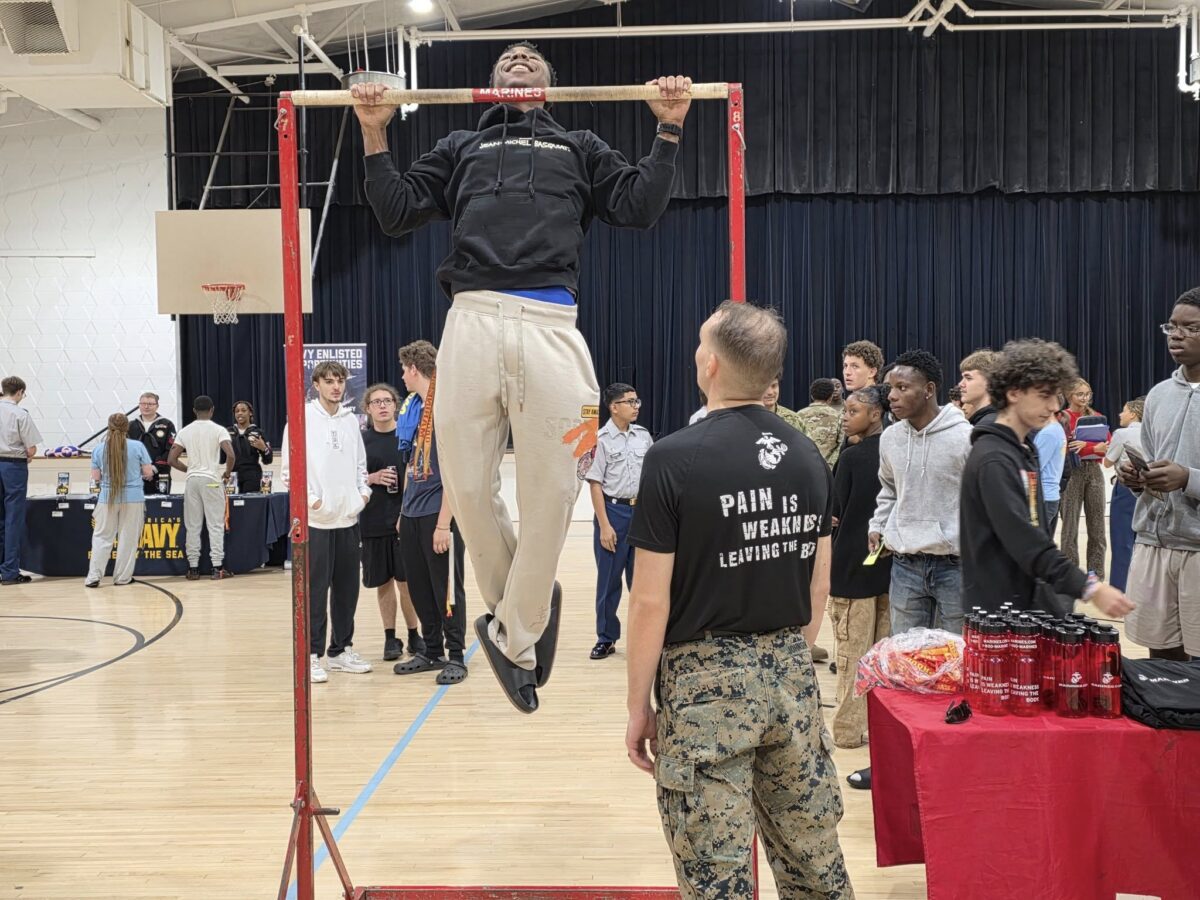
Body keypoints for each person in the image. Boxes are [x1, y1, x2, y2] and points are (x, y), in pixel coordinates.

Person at [352, 44, 693, 713]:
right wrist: (373, 131)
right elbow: (394, 209)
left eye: (530, 57)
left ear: (548, 85)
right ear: (491, 83)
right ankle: (523, 624)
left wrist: (669, 126)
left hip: (552, 326)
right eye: (507, 56)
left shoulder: (579, 145)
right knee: (466, 487)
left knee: (557, 488)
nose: (517, 57)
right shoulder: (460, 146)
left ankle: (514, 632)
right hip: (471, 320)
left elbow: (638, 206)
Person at [624, 301, 853, 897]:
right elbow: (819, 582)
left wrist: (638, 706)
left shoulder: (673, 457)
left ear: (711, 364)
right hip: (791, 674)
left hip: (704, 685)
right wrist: (784, 654)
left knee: (715, 873)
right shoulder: (807, 455)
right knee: (813, 860)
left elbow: (649, 601)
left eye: (703, 343)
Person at [960, 340, 1133, 619]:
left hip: (1023, 605)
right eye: (1044, 395)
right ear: (1014, 393)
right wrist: (1089, 587)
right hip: (999, 614)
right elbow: (1023, 539)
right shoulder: (994, 458)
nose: (1054, 406)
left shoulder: (1022, 450)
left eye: (1056, 396)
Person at [1119, 290, 1200, 661]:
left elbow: (1182, 476)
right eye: (1172, 326)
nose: (1176, 335)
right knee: (1162, 662)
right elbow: (1153, 461)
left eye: (1191, 328)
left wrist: (1188, 478)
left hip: (1196, 549)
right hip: (1154, 543)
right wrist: (1140, 481)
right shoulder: (1158, 395)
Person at [869, 350, 971, 636]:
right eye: (890, 388)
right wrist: (878, 525)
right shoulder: (890, 438)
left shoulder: (965, 438)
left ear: (928, 390)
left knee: (955, 652)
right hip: (905, 565)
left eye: (902, 388)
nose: (892, 396)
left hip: (956, 565)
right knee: (906, 653)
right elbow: (889, 489)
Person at [282, 362, 372, 682]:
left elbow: (360, 465)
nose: (336, 387)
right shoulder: (301, 418)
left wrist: (362, 496)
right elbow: (289, 471)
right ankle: (311, 655)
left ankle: (340, 651)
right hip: (317, 522)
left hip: (348, 519)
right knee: (315, 591)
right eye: (329, 381)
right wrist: (314, 503)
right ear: (316, 384)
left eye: (340, 381)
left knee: (347, 590)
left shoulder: (350, 420)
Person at [391, 342, 468, 686]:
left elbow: (456, 472)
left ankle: (456, 655)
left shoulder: (446, 409)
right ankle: (432, 650)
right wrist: (403, 511)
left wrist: (443, 524)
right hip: (412, 513)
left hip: (439, 514)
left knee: (445, 588)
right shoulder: (415, 409)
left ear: (414, 368)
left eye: (403, 370)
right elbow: (411, 464)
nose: (402, 377)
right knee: (419, 586)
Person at [829, 384, 892, 751]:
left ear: (875, 414)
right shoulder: (898, 450)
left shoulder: (852, 458)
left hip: (852, 569)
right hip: (889, 568)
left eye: (853, 411)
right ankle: (879, 728)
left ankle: (847, 731)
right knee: (882, 655)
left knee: (853, 655)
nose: (845, 417)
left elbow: (835, 511)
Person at [585, 382, 653, 660]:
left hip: (641, 512)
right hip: (614, 513)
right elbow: (595, 484)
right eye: (630, 402)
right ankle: (606, 637)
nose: (636, 407)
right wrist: (604, 525)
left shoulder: (643, 436)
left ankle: (646, 636)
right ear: (614, 407)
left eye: (637, 401)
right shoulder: (600, 440)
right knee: (609, 581)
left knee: (642, 581)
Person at [360, 383, 425, 662]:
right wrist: (372, 478)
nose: (383, 406)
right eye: (376, 402)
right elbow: (348, 477)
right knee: (383, 581)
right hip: (372, 520)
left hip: (405, 520)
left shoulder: (407, 436)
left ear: (396, 405)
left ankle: (414, 634)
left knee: (406, 581)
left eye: (387, 400)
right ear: (368, 408)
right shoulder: (361, 441)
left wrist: (406, 514)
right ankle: (390, 637)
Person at [169, 396, 235, 581]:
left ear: (194, 411)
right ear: (212, 410)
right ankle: (217, 568)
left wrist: (189, 469)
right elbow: (231, 455)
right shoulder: (219, 429)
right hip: (212, 480)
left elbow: (171, 459)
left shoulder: (185, 431)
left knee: (192, 526)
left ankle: (193, 568)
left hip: (192, 481)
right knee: (215, 525)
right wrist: (227, 473)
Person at [85, 413, 154, 588]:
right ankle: (122, 578)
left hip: (107, 498)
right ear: (127, 427)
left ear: (109, 427)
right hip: (133, 498)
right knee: (128, 538)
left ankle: (93, 577)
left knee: (102, 537)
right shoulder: (137, 446)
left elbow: (96, 477)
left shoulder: (99, 449)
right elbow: (148, 473)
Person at [1058, 379, 1110, 578]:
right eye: (1080, 394)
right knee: (1069, 526)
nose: (1084, 398)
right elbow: (1066, 446)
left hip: (1094, 471)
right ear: (1069, 395)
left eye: (1087, 394)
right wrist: (1092, 447)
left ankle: (1096, 573)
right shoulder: (1062, 417)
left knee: (1097, 525)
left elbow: (1107, 446)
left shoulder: (1096, 416)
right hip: (1071, 472)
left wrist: (1089, 447)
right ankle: (1070, 573)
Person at [0, 376, 41, 585]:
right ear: (19, 392)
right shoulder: (20, 414)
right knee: (13, 518)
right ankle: (9, 571)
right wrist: (28, 454)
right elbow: (31, 449)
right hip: (13, 466)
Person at [1104, 396, 1145, 591]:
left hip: (1126, 488)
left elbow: (1107, 462)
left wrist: (1104, 449)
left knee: (1122, 540)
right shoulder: (1153, 432)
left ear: (1134, 414)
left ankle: (1120, 588)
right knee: (1143, 541)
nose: (1120, 414)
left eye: (1124, 410)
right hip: (1149, 489)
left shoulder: (1121, 434)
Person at [1032, 400, 1067, 537]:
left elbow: (1035, 466)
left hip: (1043, 497)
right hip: (1048, 496)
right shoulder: (1055, 429)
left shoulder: (1048, 433)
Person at [129, 392, 175, 495]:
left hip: (160, 474)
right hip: (136, 475)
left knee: (161, 504)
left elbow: (171, 450)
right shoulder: (131, 426)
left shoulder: (167, 425)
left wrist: (153, 469)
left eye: (150, 404)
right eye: (143, 403)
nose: (146, 407)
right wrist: (140, 469)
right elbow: (126, 451)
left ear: (157, 406)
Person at [794, 377, 843, 469]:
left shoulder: (799, 415)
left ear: (812, 396)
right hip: (829, 468)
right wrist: (830, 464)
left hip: (805, 466)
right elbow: (841, 444)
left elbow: (794, 442)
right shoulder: (838, 416)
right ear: (830, 397)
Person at [226, 401, 273, 494]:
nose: (240, 413)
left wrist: (264, 448)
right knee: (231, 503)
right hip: (232, 477)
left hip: (252, 476)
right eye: (237, 411)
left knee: (250, 502)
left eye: (243, 410)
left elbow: (268, 460)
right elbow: (221, 459)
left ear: (250, 413)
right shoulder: (227, 432)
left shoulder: (258, 433)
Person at [957, 348, 1000, 425]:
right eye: (962, 378)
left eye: (968, 378)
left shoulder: (988, 424)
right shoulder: (982, 421)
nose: (960, 384)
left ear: (989, 381)